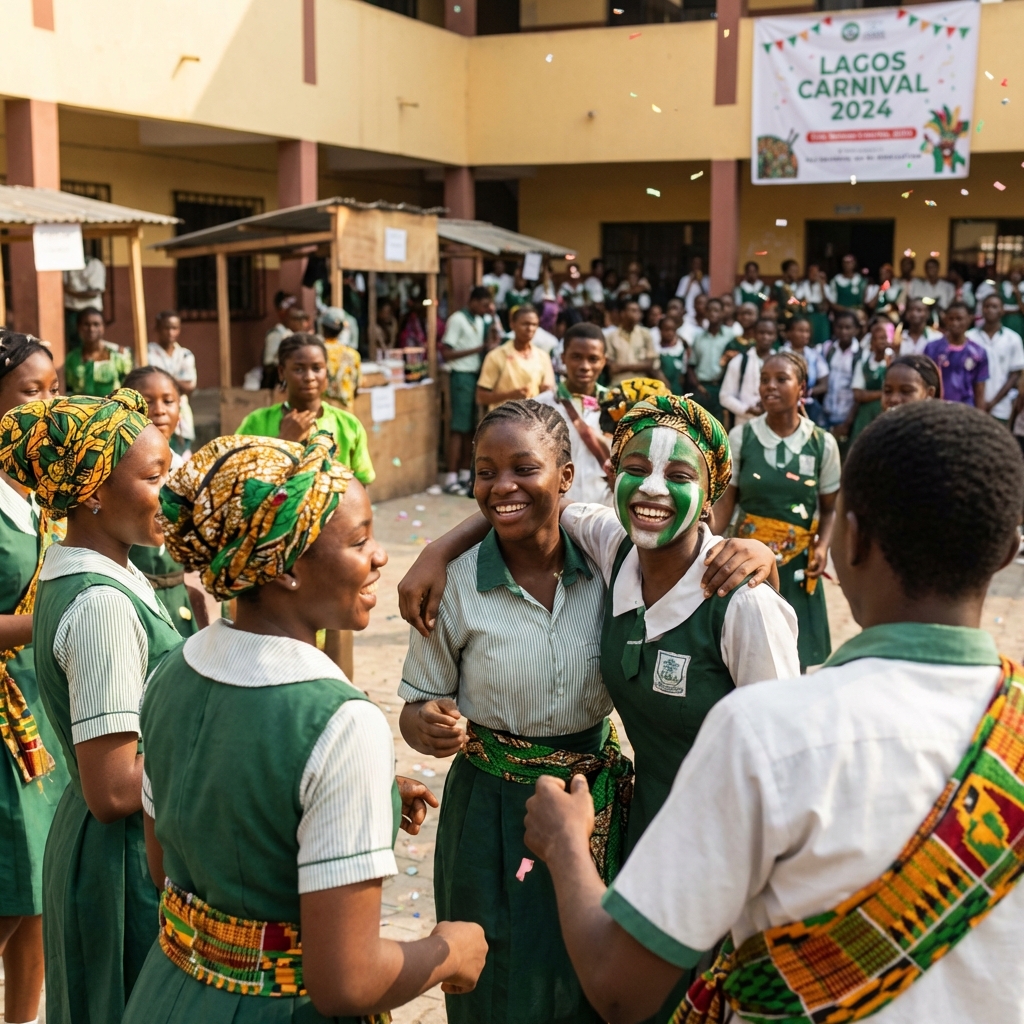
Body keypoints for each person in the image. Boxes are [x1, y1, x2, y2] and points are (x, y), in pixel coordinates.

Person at [522, 400, 1024, 1024]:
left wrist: (566, 841)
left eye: (680, 476)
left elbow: (621, 988)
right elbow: (551, 509)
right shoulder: (1013, 733)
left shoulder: (769, 729)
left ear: (849, 539)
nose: (653, 488)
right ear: (1007, 552)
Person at [398, 392, 794, 1024]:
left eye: (681, 475)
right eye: (636, 468)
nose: (653, 488)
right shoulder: (617, 551)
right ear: (612, 478)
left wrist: (761, 552)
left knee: (618, 992)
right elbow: (516, 500)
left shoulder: (732, 601)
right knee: (498, 980)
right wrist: (436, 551)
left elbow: (787, 766)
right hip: (552, 814)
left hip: (669, 828)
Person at [122, 432, 488, 1024]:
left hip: (168, 993)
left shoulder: (173, 672)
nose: (380, 557)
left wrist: (344, 801)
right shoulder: (342, 723)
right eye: (361, 539)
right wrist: (449, 951)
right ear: (287, 568)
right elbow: (346, 981)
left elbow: (171, 865)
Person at [399, 400, 630, 1024]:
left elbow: (684, 543)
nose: (502, 486)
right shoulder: (450, 586)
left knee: (582, 974)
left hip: (591, 800)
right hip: (491, 812)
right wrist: (424, 724)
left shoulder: (612, 569)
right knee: (496, 982)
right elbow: (416, 703)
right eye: (484, 471)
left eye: (524, 467)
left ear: (565, 476)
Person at [0, 389, 183, 1024]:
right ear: (92, 494)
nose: (174, 489)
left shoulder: (103, 570)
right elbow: (113, 789)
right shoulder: (100, 605)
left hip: (115, 848)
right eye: (156, 477)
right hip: (124, 861)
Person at [0, 332, 69, 1024]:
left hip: (43, 713)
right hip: (2, 725)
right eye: (30, 390)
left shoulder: (41, 489)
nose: (47, 404)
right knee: (9, 887)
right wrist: (57, 613)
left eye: (53, 389)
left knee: (41, 894)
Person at [715, 351, 839, 670]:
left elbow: (828, 509)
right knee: (747, 652)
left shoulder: (822, 443)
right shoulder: (743, 436)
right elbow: (728, 500)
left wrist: (822, 547)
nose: (770, 387)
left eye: (781, 379)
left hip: (796, 563)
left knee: (792, 658)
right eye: (764, 380)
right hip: (747, 564)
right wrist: (710, 545)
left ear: (802, 388)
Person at [122, 366, 203, 639]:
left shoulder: (189, 473)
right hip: (130, 601)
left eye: (168, 401)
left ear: (181, 409)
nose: (159, 410)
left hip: (178, 603)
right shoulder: (114, 475)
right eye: (147, 402)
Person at [236, 333, 375, 486]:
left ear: (326, 372)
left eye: (317, 368)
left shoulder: (348, 425)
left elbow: (362, 483)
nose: (309, 377)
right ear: (282, 372)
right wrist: (284, 442)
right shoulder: (257, 422)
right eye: (299, 369)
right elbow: (236, 478)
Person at [536, 324, 614, 505]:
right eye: (576, 357)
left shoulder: (617, 407)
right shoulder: (540, 406)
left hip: (605, 511)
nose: (585, 366)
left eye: (593, 359)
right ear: (563, 358)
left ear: (604, 361)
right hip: (557, 511)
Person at [441, 286, 493, 495]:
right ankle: (451, 475)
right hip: (461, 376)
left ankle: (465, 473)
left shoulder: (481, 320)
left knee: (473, 427)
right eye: (483, 304)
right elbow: (446, 352)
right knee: (459, 427)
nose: (486, 308)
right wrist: (478, 349)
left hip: (476, 375)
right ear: (472, 301)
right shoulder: (457, 320)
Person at [476, 304, 554, 411]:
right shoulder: (496, 355)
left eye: (534, 324)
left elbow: (548, 389)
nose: (530, 328)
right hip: (503, 419)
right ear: (512, 325)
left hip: (532, 419)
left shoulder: (543, 356)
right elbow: (481, 397)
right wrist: (510, 395)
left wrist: (546, 390)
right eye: (525, 324)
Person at [968, 292, 1024, 422]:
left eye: (994, 306)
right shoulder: (970, 337)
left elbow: (1015, 375)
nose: (990, 310)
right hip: (971, 404)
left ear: (1002, 310)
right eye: (987, 306)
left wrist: (993, 402)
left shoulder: (1013, 339)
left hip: (1001, 406)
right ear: (982, 309)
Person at [146, 311, 196, 457]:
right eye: (166, 328)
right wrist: (176, 382)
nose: (170, 332)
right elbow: (145, 383)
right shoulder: (147, 351)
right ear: (157, 329)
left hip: (181, 411)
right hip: (154, 411)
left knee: (181, 455)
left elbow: (189, 386)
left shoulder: (185, 355)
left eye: (174, 328)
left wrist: (160, 377)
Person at [924, 302, 989, 408]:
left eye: (959, 319)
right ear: (945, 319)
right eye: (951, 319)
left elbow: (979, 390)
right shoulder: (932, 348)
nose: (955, 323)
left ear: (969, 319)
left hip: (966, 409)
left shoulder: (978, 352)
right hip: (937, 408)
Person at [719, 315, 777, 427]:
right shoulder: (740, 361)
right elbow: (725, 396)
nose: (765, 337)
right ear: (754, 335)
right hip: (744, 424)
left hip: (773, 425)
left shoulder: (781, 363)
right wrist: (747, 409)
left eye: (770, 333)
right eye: (761, 333)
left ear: (775, 336)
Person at [64, 309, 132, 397]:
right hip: (82, 408)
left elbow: (130, 385)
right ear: (78, 328)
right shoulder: (72, 358)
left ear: (103, 327)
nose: (91, 329)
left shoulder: (118, 355)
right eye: (86, 324)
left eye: (96, 324)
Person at [687, 297, 732, 420]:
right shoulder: (698, 337)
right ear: (705, 313)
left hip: (722, 387)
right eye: (710, 310)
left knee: (719, 425)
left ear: (723, 312)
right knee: (699, 423)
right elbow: (691, 365)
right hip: (702, 387)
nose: (713, 313)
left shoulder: (730, 336)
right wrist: (697, 385)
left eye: (717, 310)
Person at [848, 318, 892, 441]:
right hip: (865, 416)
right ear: (872, 342)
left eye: (886, 338)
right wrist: (882, 393)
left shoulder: (893, 362)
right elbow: (858, 395)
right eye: (880, 338)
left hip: (884, 413)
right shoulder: (863, 363)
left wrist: (868, 394)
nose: (884, 341)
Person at [782, 315, 829, 425]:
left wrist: (809, 392)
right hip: (785, 405)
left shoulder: (814, 355)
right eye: (800, 331)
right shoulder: (781, 355)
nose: (805, 335)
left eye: (807, 331)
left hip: (809, 406)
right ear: (789, 333)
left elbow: (824, 384)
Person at [821, 311, 860, 439]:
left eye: (848, 328)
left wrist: (848, 421)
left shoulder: (859, 354)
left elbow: (858, 390)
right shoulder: (828, 349)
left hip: (846, 413)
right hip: (827, 410)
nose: (844, 331)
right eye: (840, 327)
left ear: (856, 330)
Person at [604, 299, 658, 386]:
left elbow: (649, 364)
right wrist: (640, 366)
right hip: (618, 384)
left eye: (639, 311)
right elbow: (612, 367)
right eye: (633, 310)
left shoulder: (645, 334)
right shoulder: (611, 336)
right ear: (623, 313)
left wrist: (622, 367)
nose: (637, 314)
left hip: (642, 385)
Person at [320, 307, 362, 408]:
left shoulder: (317, 352)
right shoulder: (352, 354)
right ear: (342, 329)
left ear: (322, 327)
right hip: (345, 413)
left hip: (322, 412)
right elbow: (357, 385)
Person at [63, 254, 106, 351]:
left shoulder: (96, 265)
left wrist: (75, 293)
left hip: (92, 309)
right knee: (74, 340)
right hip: (73, 310)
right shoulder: (68, 264)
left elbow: (97, 291)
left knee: (94, 338)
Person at [262, 291, 300, 388]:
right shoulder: (276, 335)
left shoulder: (295, 334)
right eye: (295, 318)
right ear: (283, 314)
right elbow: (268, 363)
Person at [794, 263, 831, 345]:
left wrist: (822, 285)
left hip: (820, 315)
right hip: (808, 314)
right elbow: (797, 297)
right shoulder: (804, 284)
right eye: (811, 272)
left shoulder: (824, 286)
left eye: (816, 273)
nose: (813, 275)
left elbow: (827, 301)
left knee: (822, 340)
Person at [655, 315, 686, 395]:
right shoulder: (656, 350)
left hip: (677, 392)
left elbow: (682, 375)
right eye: (667, 330)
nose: (670, 333)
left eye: (673, 330)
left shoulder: (680, 349)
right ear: (660, 330)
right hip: (660, 393)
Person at [770, 260, 802, 326]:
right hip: (781, 319)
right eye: (793, 271)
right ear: (785, 272)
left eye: (797, 271)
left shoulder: (799, 287)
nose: (796, 274)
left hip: (795, 320)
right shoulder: (778, 286)